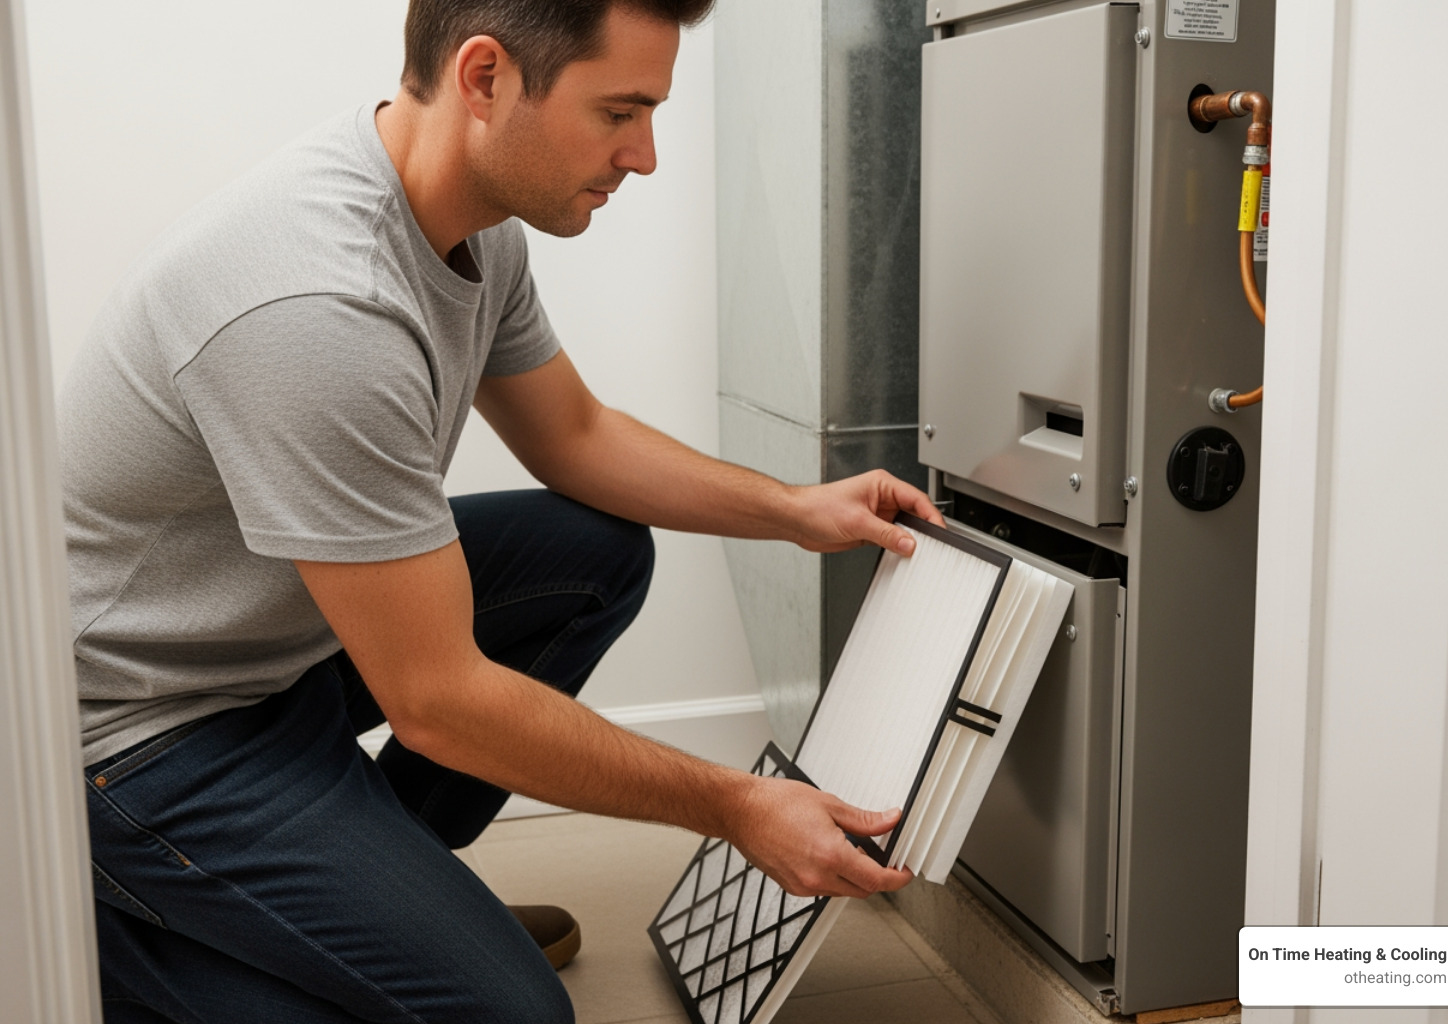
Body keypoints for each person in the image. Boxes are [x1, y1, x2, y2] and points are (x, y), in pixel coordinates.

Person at [58, 0, 941, 1020]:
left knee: (588, 552)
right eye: (621, 111)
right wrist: (739, 806)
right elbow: (438, 700)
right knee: (513, 1015)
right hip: (140, 737)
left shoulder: (472, 230)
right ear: (485, 78)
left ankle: (378, 880)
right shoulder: (317, 306)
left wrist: (796, 509)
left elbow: (574, 435)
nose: (644, 155)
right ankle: (121, 935)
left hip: (266, 656)